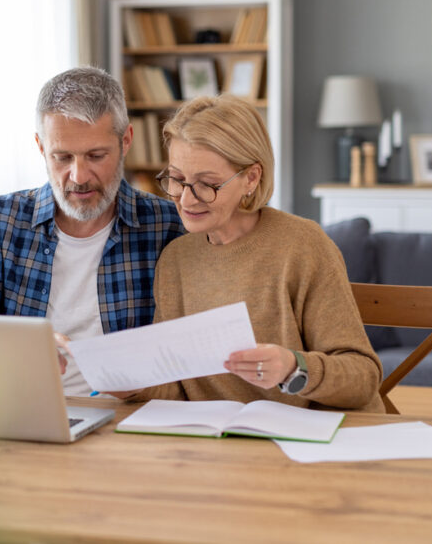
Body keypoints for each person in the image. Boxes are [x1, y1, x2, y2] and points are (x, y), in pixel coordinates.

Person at [117, 95, 384, 412]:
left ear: (251, 178)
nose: (186, 201)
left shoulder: (303, 245)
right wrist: (132, 385)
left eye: (206, 184)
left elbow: (362, 377)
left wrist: (292, 367)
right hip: (222, 447)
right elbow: (181, 389)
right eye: (176, 179)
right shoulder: (175, 259)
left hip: (313, 442)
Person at [0, 67, 185, 395]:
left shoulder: (168, 226)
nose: (79, 176)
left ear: (126, 141)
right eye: (62, 157)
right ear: (40, 146)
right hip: (21, 406)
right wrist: (23, 344)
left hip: (126, 417)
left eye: (96, 156)